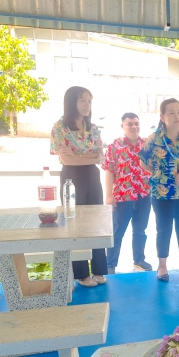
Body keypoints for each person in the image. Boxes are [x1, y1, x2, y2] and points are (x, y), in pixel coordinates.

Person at [139, 98, 179, 282]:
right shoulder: (154, 139)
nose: (177, 116)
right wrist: (158, 173)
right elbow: (143, 162)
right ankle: (162, 266)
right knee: (163, 229)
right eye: (172, 112)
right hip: (161, 193)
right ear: (162, 117)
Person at [50, 86, 108, 287]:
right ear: (71, 102)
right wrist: (89, 157)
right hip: (71, 177)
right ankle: (81, 274)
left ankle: (99, 269)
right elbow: (67, 161)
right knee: (74, 223)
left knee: (96, 221)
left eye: (89, 101)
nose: (87, 105)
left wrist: (78, 155)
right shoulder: (60, 128)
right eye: (82, 100)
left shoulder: (93, 128)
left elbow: (101, 157)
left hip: (92, 175)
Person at [101, 112, 152, 275]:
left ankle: (139, 259)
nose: (134, 127)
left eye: (136, 123)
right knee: (117, 232)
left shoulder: (147, 145)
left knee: (140, 230)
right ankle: (110, 263)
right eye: (130, 124)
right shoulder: (114, 146)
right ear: (122, 126)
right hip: (123, 196)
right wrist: (108, 195)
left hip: (144, 194)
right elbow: (109, 171)